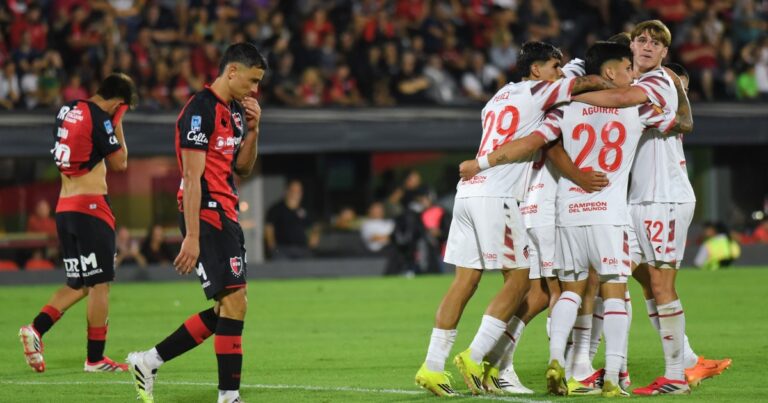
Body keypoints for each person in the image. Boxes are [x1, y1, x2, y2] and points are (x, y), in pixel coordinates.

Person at [415, 41, 615, 397]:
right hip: (498, 194)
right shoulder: (540, 91)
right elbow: (588, 84)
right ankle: (476, 356)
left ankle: (432, 366)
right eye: (554, 66)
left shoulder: (497, 98)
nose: (559, 73)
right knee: (521, 281)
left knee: (465, 282)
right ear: (536, 69)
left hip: (468, 194)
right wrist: (609, 78)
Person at [573, 22, 731, 394]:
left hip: (664, 198)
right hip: (636, 200)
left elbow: (619, 100)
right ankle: (632, 367)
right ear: (630, 47)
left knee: (660, 285)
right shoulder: (639, 81)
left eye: (655, 43)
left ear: (664, 54)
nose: (647, 46)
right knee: (618, 277)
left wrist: (568, 96)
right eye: (641, 40)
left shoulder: (658, 82)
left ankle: (676, 376)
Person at [126, 43, 267, 403]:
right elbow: (191, 178)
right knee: (236, 302)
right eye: (252, 81)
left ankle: (148, 361)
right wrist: (191, 236)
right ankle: (229, 396)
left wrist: (253, 130)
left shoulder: (236, 112)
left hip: (227, 213)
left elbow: (243, 167)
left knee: (226, 309)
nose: (255, 90)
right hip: (205, 212)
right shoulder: (199, 110)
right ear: (231, 71)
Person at [18, 73, 137, 373]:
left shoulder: (67, 109)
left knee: (80, 283)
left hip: (65, 207)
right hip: (91, 207)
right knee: (100, 283)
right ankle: (95, 358)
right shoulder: (100, 118)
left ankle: (36, 328)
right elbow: (120, 163)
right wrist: (117, 122)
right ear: (118, 103)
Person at [264, 179, 321, 259]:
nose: (296, 193)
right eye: (293, 190)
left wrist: (314, 237)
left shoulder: (306, 209)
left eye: (299, 191)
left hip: (303, 249)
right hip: (282, 250)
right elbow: (269, 229)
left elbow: (316, 225)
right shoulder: (276, 209)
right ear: (287, 191)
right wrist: (272, 248)